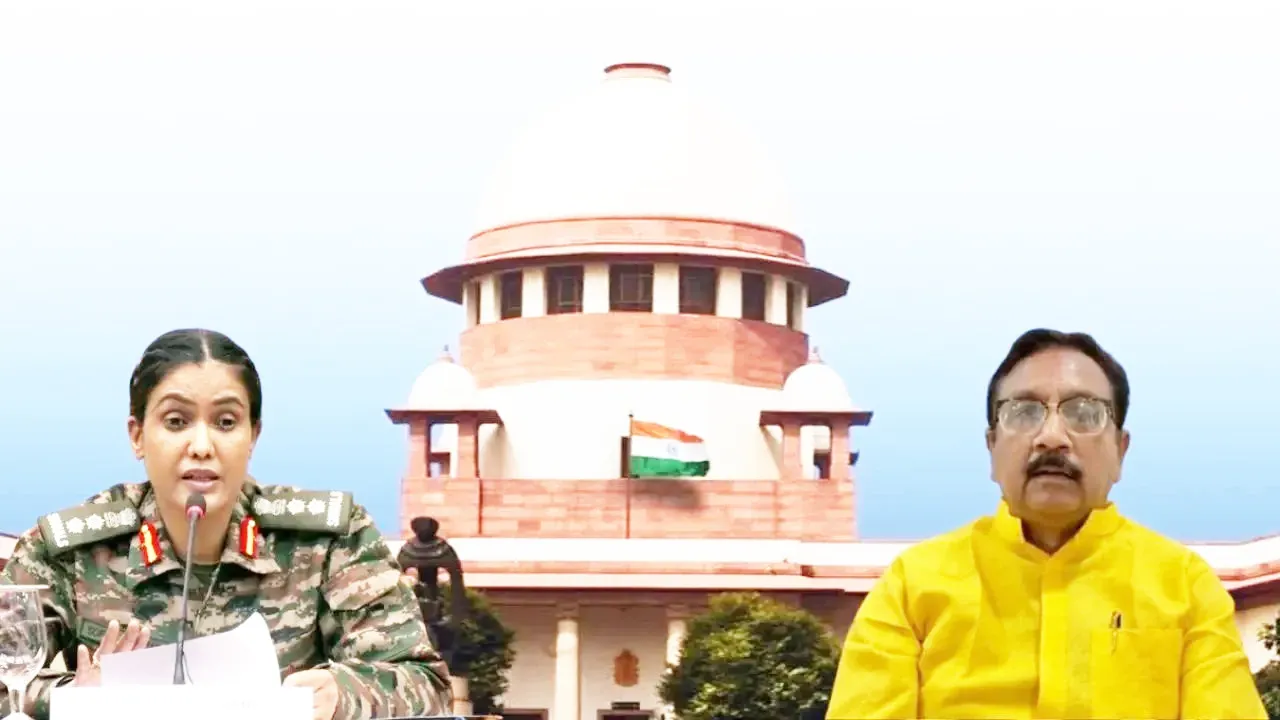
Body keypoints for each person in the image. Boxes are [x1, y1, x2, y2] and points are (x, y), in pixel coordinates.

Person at [0, 328, 453, 720]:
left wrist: (341, 694)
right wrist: (76, 702)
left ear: (253, 435)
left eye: (226, 422)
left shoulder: (330, 540)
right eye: (176, 421)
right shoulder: (67, 550)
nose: (202, 445)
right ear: (137, 436)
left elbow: (425, 682)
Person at [826, 328, 1266, 720]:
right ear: (992, 447)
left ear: (1120, 451)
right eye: (1024, 412)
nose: (1052, 437)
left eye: (1085, 414)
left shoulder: (1186, 587)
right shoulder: (911, 586)